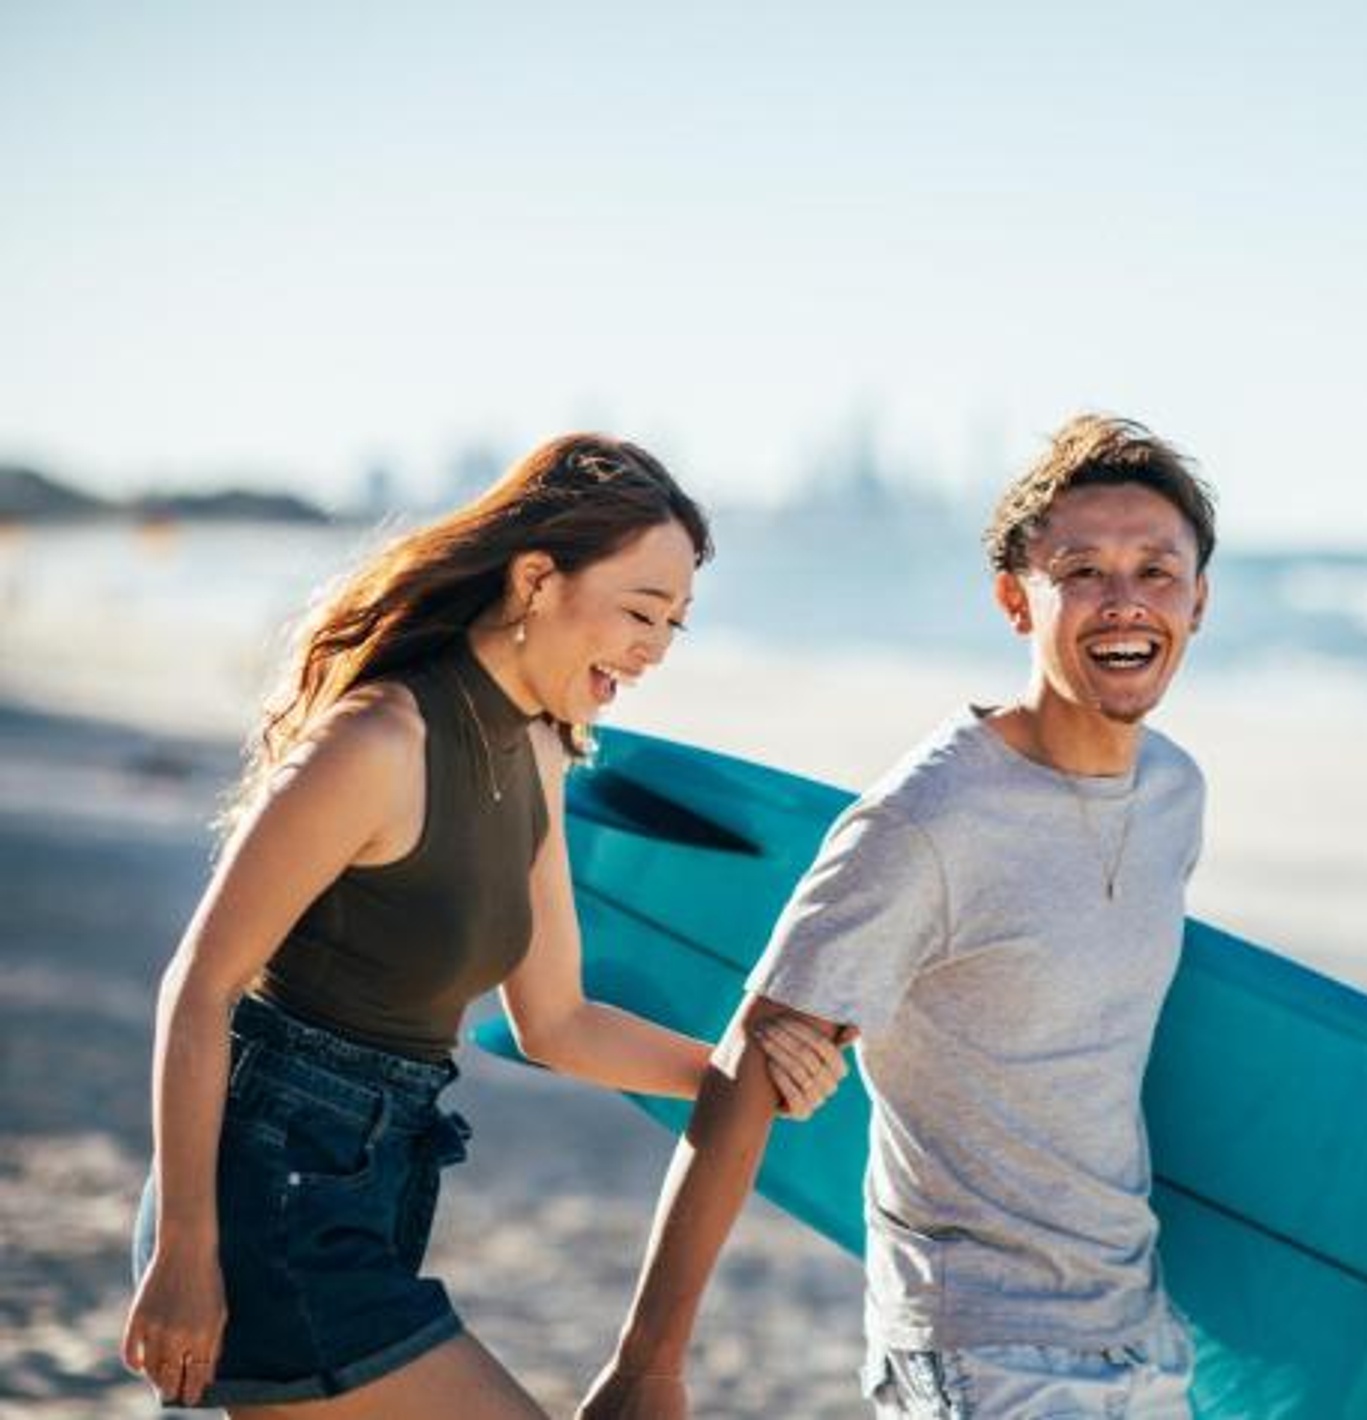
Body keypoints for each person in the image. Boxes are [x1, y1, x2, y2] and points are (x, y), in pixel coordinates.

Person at [121, 434, 853, 1416]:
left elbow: (557, 1020)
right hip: (262, 1193)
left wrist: (743, 1078)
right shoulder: (379, 739)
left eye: (675, 624)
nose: (654, 648)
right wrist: (183, 1253)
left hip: (375, 1182)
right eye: (641, 610)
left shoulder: (542, 752)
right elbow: (201, 985)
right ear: (537, 578)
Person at [580, 413, 1216, 1419]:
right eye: (1082, 571)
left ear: (1198, 599)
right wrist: (649, 1362)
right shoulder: (931, 817)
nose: (1123, 600)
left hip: (1143, 1341)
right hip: (981, 1353)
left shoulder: (1175, 793)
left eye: (1156, 570)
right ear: (1017, 598)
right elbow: (751, 1062)